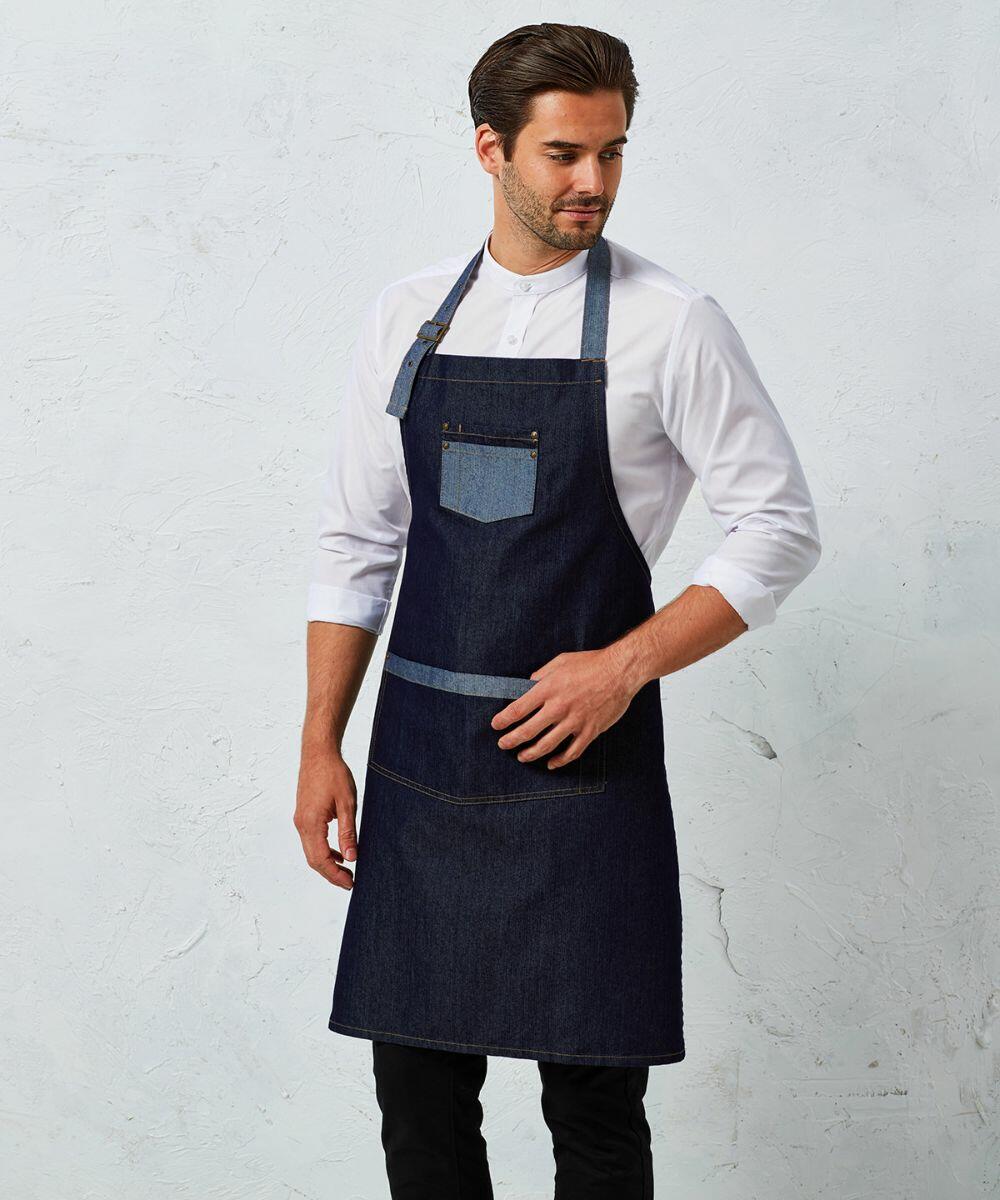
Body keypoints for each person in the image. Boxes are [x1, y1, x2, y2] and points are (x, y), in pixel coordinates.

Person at [295, 21, 821, 1200]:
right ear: (490, 149)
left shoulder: (670, 323)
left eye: (612, 152)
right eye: (564, 154)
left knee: (592, 1106)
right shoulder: (407, 316)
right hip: (423, 764)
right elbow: (359, 542)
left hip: (584, 773)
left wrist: (622, 668)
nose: (594, 180)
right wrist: (321, 743)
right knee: (417, 1104)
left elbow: (778, 527)